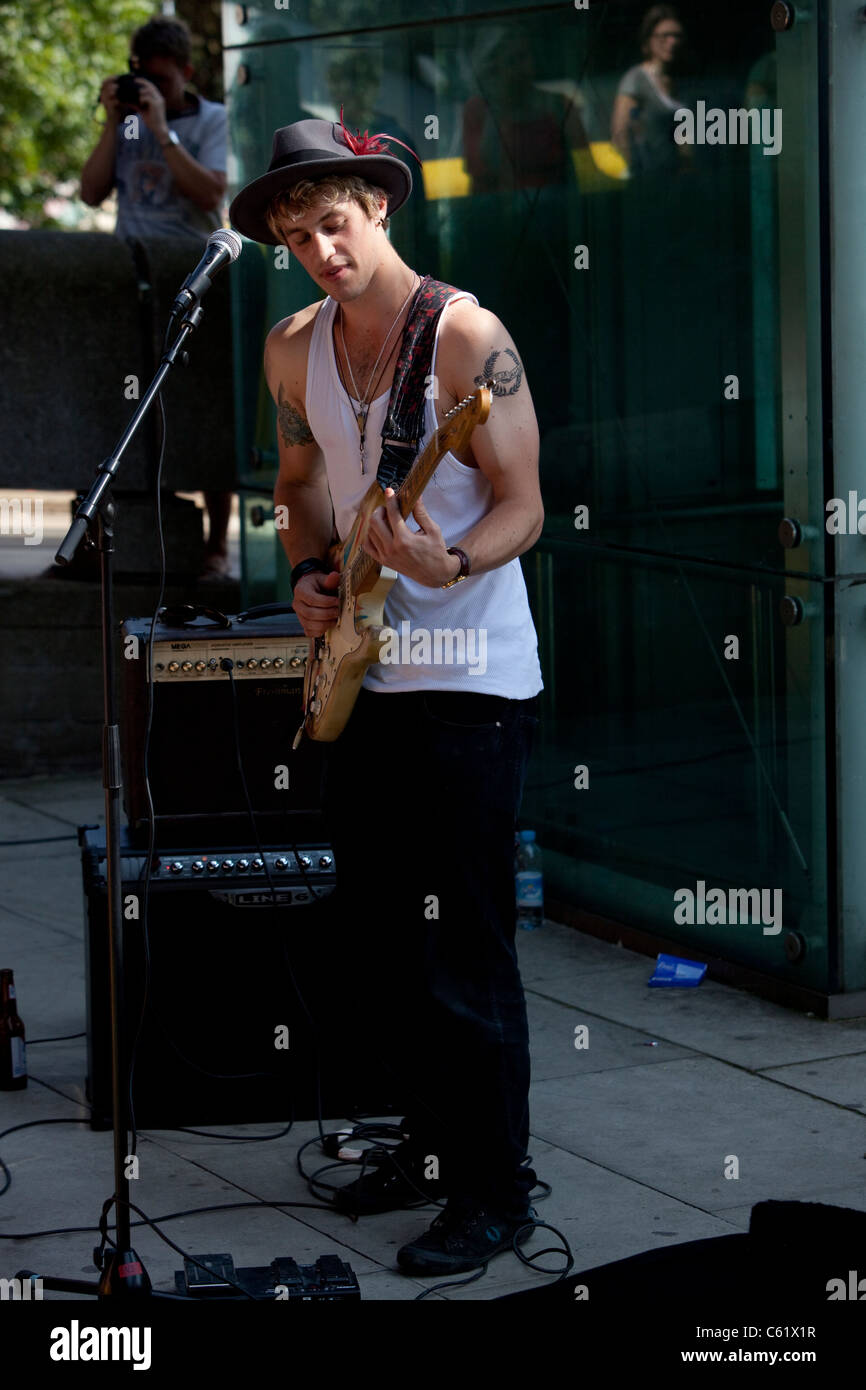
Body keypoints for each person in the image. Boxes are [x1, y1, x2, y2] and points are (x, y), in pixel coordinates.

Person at [229, 116, 545, 1277]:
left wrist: (448, 565)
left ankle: (494, 1187)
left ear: (379, 206)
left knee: (465, 948)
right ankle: (424, 1145)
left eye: (334, 223)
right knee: (377, 936)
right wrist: (312, 576)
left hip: (468, 685)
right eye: (295, 234)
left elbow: (524, 503)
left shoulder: (464, 338)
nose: (319, 249)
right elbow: (297, 482)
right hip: (360, 675)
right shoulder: (289, 346)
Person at [80, 14, 232, 580]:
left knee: (203, 403)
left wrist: (162, 127)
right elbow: (91, 191)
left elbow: (212, 190)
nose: (151, 91)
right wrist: (111, 121)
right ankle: (107, 532)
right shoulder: (126, 123)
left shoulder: (211, 118)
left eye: (163, 81)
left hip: (193, 274)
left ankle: (216, 544)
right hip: (130, 276)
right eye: (142, 78)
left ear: (186, 73)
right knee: (127, 402)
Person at [611, 4, 690, 178]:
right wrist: (635, 175)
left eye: (677, 36)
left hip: (679, 182)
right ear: (649, 40)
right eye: (664, 36)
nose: (672, 42)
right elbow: (620, 133)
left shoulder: (678, 83)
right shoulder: (635, 80)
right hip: (649, 182)